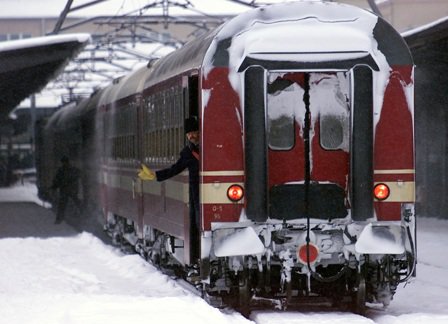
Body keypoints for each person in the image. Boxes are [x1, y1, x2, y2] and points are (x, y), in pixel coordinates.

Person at [138, 116, 200, 262]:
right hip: (196, 195)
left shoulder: (211, 148)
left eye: (194, 132)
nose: (191, 136)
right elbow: (175, 169)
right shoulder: (188, 153)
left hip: (210, 193)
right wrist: (155, 175)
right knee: (196, 223)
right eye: (188, 133)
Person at [51, 156, 82, 224]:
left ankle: (59, 219)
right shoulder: (73, 169)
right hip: (72, 190)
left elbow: (57, 180)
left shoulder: (61, 170)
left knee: (62, 205)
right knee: (77, 202)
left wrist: (54, 187)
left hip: (65, 190)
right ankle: (83, 215)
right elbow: (79, 175)